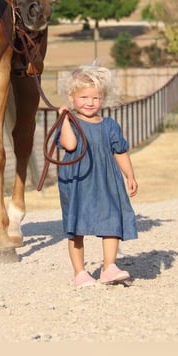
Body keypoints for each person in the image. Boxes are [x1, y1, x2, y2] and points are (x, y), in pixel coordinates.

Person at [55, 65, 139, 287]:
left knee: (112, 220)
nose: (90, 103)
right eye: (83, 97)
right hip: (77, 181)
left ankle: (109, 267)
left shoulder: (109, 125)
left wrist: (129, 175)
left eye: (96, 98)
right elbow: (70, 144)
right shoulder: (69, 123)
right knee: (77, 227)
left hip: (105, 180)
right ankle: (79, 273)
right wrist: (63, 118)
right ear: (71, 97)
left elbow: (119, 151)